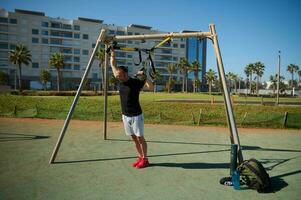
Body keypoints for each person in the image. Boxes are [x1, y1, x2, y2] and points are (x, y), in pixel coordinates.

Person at [110, 48, 153, 169]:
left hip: (136, 115)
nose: (118, 77)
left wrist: (145, 76)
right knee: (134, 138)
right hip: (125, 115)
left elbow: (151, 87)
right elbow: (113, 64)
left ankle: (145, 159)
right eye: (117, 76)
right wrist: (112, 52)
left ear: (125, 73)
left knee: (140, 138)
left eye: (120, 76)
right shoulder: (119, 78)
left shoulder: (135, 82)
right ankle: (140, 157)